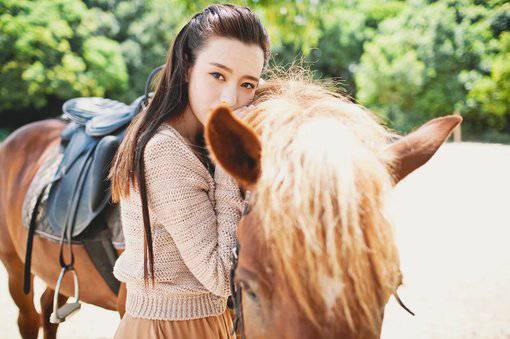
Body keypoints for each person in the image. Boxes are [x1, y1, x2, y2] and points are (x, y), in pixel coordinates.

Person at [109, 4, 270, 338]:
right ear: (186, 68)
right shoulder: (165, 150)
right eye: (218, 75)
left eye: (247, 84)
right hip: (167, 329)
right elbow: (221, 274)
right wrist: (231, 158)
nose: (231, 98)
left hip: (205, 325)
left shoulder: (193, 137)